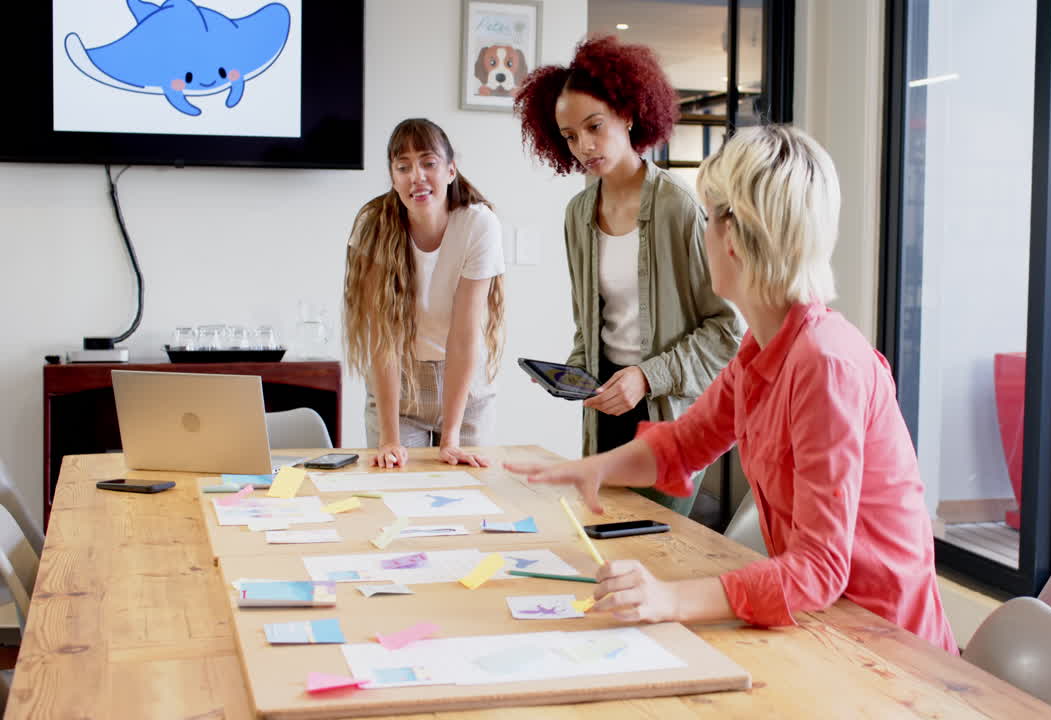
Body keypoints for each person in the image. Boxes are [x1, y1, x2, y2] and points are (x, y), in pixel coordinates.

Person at [506, 125, 958, 654]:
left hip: (887, 649)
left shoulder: (825, 364)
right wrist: (596, 468)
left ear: (736, 238)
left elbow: (818, 568)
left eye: (708, 217)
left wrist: (671, 600)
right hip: (823, 626)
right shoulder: (761, 349)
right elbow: (684, 443)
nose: (703, 234)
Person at [513, 36, 743, 515]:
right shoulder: (577, 214)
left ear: (628, 114)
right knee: (606, 540)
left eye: (594, 126)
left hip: (666, 412)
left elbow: (726, 329)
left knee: (654, 547)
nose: (584, 146)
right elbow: (590, 325)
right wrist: (571, 376)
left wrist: (646, 376)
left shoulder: (677, 208)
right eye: (570, 135)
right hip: (604, 410)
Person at [344, 118, 505, 469]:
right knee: (396, 488)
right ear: (393, 177)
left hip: (464, 385)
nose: (416, 176)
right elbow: (383, 337)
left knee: (468, 491)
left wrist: (451, 438)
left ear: (450, 170)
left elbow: (463, 336)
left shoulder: (478, 225)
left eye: (428, 163)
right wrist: (389, 438)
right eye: (403, 167)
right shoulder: (373, 226)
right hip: (398, 387)